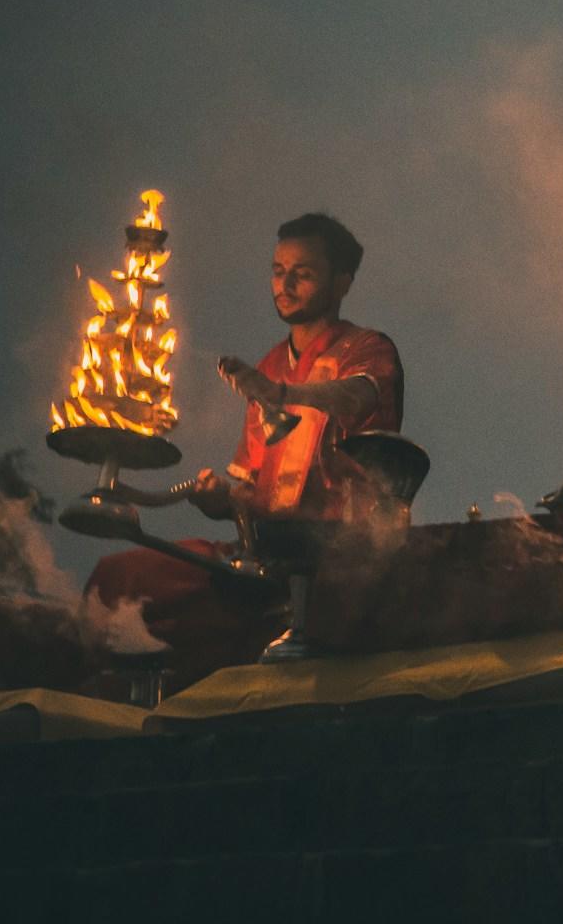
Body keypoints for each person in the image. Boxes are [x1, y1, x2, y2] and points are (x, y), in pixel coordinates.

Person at [83, 213, 403, 671]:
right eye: (278, 271)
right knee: (117, 582)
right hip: (261, 559)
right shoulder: (269, 366)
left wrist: (282, 395)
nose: (285, 285)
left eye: (304, 274)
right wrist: (218, 498)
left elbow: (359, 394)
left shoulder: (367, 349)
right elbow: (247, 489)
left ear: (342, 283)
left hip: (336, 558)